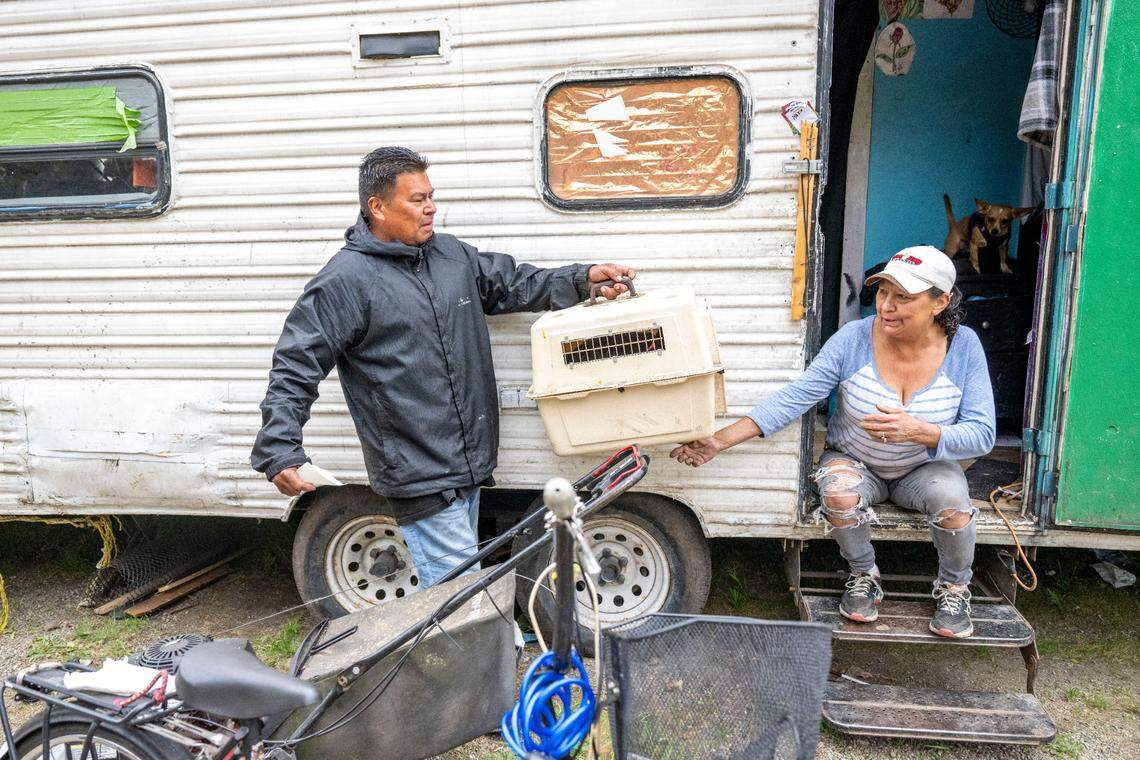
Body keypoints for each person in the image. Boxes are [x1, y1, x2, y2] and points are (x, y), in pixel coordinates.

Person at [251, 146, 635, 588]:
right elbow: (296, 363)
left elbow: (514, 283)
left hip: (469, 464)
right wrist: (279, 447)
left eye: (431, 196)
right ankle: (469, 655)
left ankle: (469, 650)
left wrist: (584, 278)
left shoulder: (450, 255)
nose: (431, 207)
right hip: (418, 473)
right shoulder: (345, 281)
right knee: (463, 601)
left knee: (459, 595)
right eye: (417, 199)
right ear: (377, 207)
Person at [671, 245, 994, 638]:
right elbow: (798, 396)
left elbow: (982, 434)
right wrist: (720, 441)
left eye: (903, 297)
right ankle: (864, 575)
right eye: (882, 292)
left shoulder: (964, 348)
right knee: (838, 490)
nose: (886, 306)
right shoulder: (854, 339)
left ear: (939, 302)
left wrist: (918, 431)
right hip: (857, 460)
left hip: (923, 468)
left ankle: (954, 588)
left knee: (953, 503)